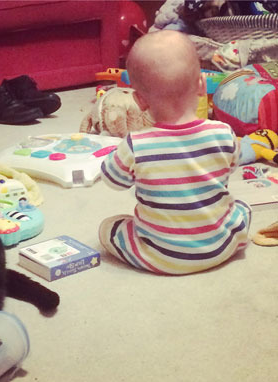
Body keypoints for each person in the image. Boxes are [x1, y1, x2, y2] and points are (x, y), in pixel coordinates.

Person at [99, 30, 251, 276]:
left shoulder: (136, 144)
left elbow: (112, 180)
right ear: (202, 84)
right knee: (242, 207)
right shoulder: (224, 132)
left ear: (139, 100)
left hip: (162, 257)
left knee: (109, 228)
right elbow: (231, 167)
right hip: (222, 246)